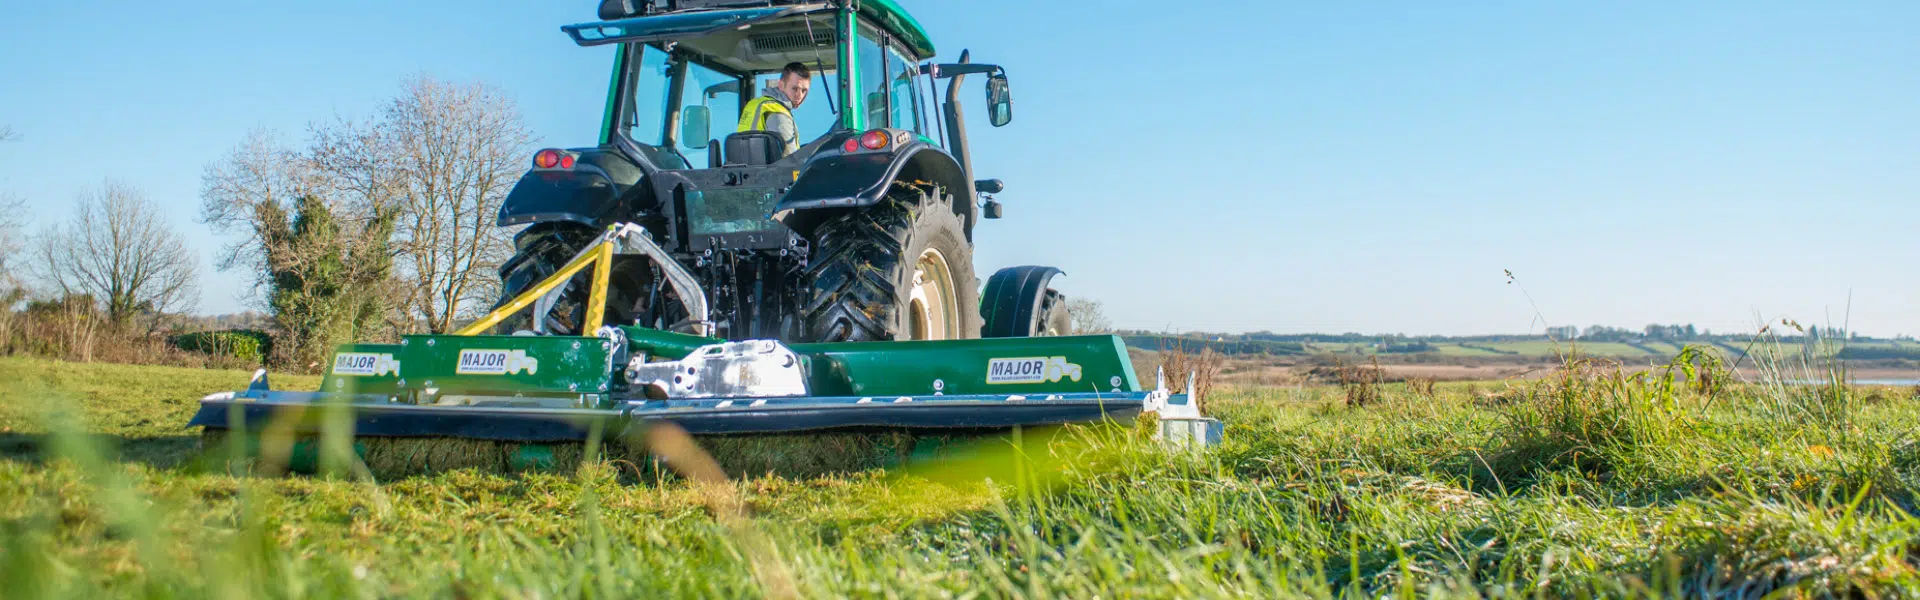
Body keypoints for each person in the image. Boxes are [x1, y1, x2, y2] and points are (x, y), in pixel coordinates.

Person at [737, 62, 811, 156]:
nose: (799, 95)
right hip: (768, 169)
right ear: (781, 85)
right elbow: (790, 159)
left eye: (804, 90)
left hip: (747, 168)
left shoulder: (756, 104)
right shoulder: (777, 112)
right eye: (794, 89)